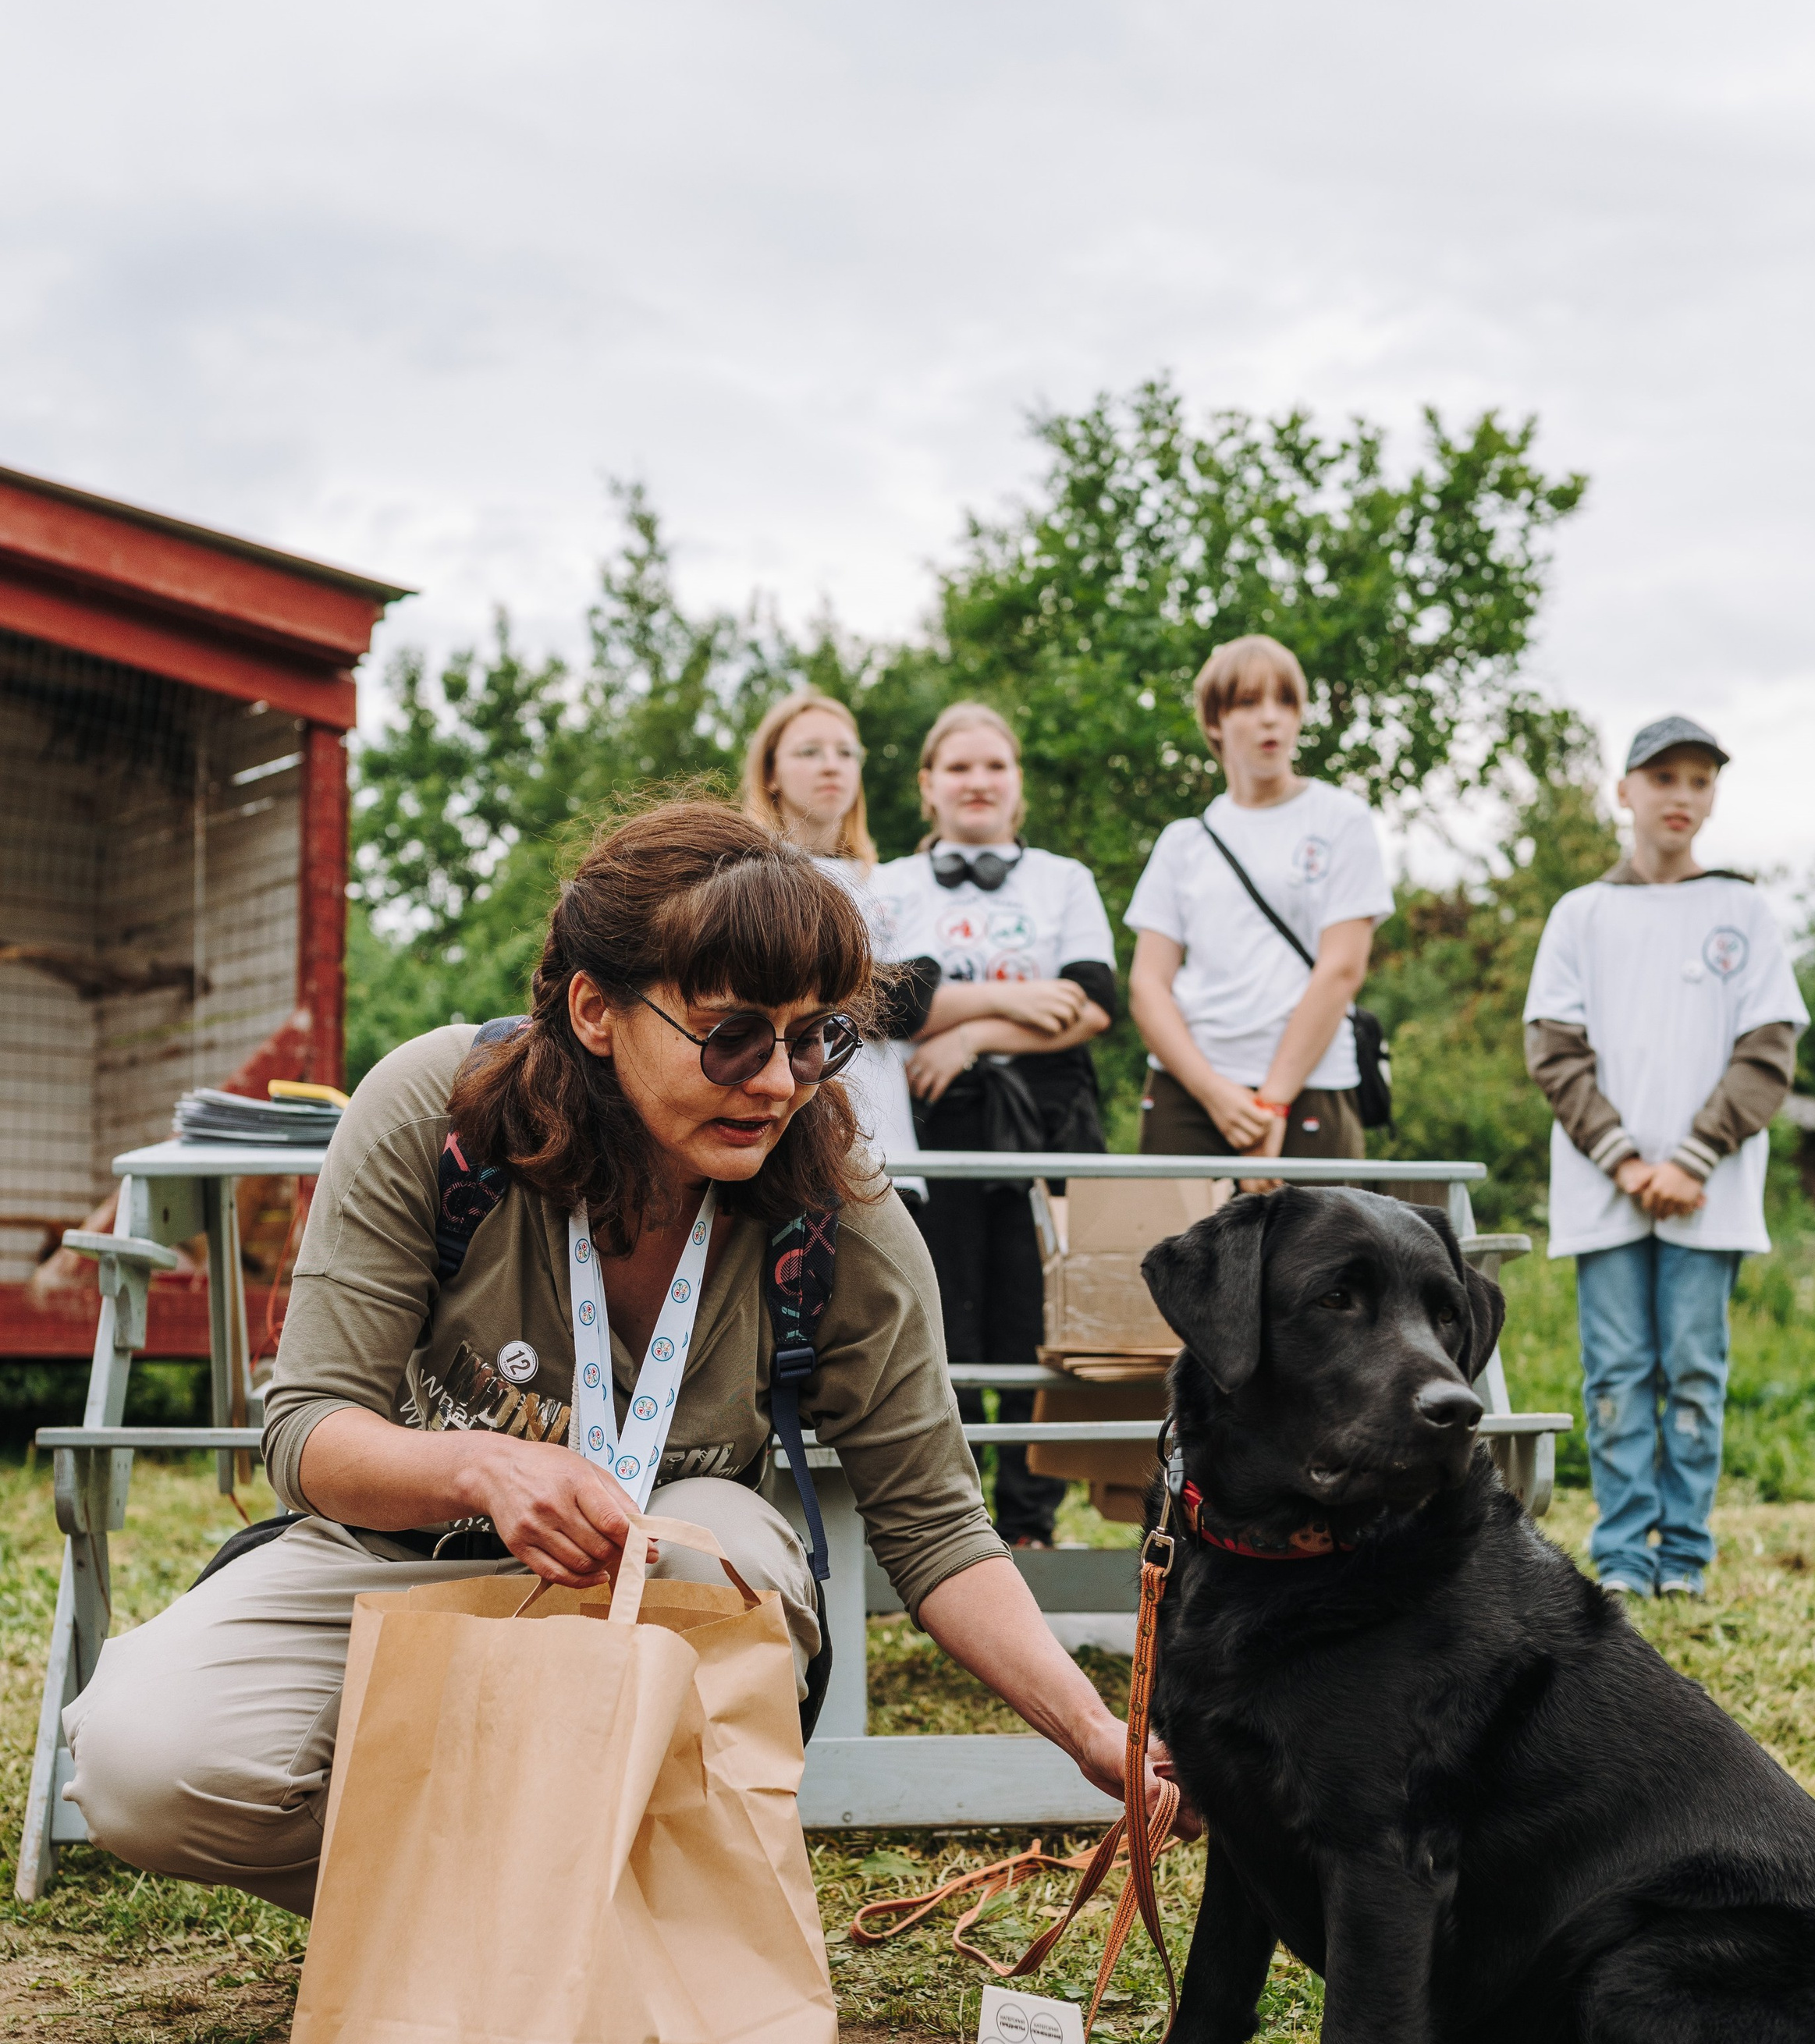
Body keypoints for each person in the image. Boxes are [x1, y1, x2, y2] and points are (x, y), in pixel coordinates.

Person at [62, 805, 1168, 1913]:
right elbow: (307, 1429)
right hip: (400, 1555)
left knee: (716, 1550)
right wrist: (482, 1470)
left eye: (813, 1036)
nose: (781, 1082)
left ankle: (557, 1929)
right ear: (596, 1009)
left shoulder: (840, 1214)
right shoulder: (437, 1112)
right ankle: (499, 1919)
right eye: (732, 1035)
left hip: (657, 1585)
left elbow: (935, 1528)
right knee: (145, 1765)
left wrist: (1090, 1730)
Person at [1523, 715, 1807, 1599]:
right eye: (1663, 778)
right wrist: (1627, 1161)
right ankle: (1621, 1554)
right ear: (1625, 791)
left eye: (1698, 780)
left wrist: (1689, 1158)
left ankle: (1682, 1551)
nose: (1680, 796)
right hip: (1604, 1193)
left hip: (1708, 1193)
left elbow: (1767, 1051)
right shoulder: (1582, 913)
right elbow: (1554, 1049)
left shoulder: (1742, 910)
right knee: (1614, 1372)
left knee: (1691, 1369)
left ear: (1712, 795)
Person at [871, 704, 1116, 1549]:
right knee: (945, 1315)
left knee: (1036, 1315)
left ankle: (1029, 1525)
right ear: (927, 786)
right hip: (931, 1122)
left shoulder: (1062, 878)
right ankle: (951, 1525)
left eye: (995, 767)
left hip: (1047, 1119)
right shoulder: (891, 883)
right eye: (960, 767)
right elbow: (891, 1002)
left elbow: (1092, 1002)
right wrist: (1016, 996)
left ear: (1017, 785)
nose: (978, 782)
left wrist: (969, 1030)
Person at [1125, 634, 1394, 1164]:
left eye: (1285, 701)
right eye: (1249, 702)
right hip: (1189, 1095)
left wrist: (1271, 1103)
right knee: (1179, 1251)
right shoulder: (1184, 841)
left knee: (1319, 1251)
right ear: (1214, 722)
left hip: (1312, 1085)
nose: (1270, 718)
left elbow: (1342, 967)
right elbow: (1147, 984)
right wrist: (1214, 1094)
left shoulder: (1342, 819)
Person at [741, 687, 934, 1197]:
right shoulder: (739, 877)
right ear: (771, 773)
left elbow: (912, 1004)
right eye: (809, 751)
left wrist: (806, 984)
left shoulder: (898, 883)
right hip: (773, 1140)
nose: (832, 765)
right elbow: (749, 993)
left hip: (887, 1152)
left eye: (846, 752)